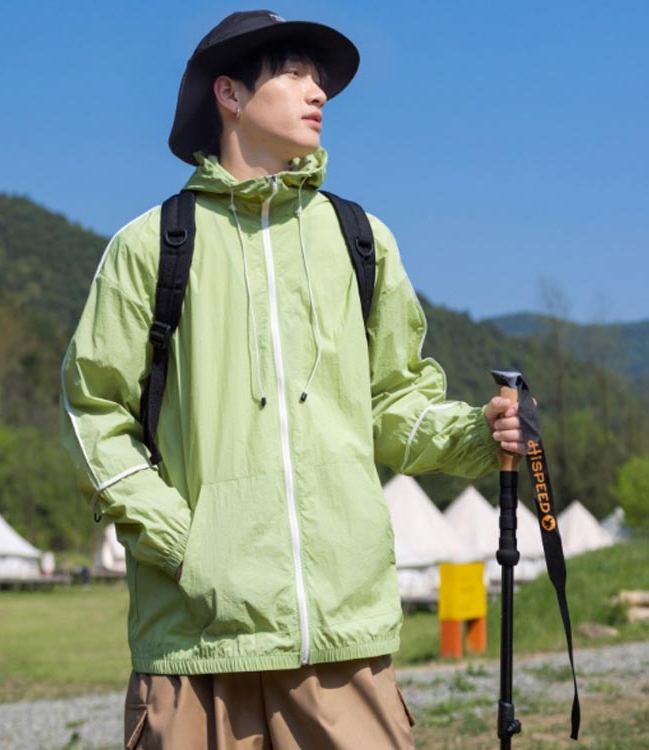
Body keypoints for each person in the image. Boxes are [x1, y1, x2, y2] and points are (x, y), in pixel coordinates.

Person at [60, 9, 524, 750]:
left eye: (321, 79)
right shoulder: (150, 247)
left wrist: (479, 432)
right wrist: (188, 547)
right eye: (293, 73)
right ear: (229, 94)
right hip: (194, 646)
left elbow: (393, 405)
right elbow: (93, 415)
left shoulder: (362, 240)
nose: (318, 93)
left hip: (344, 642)